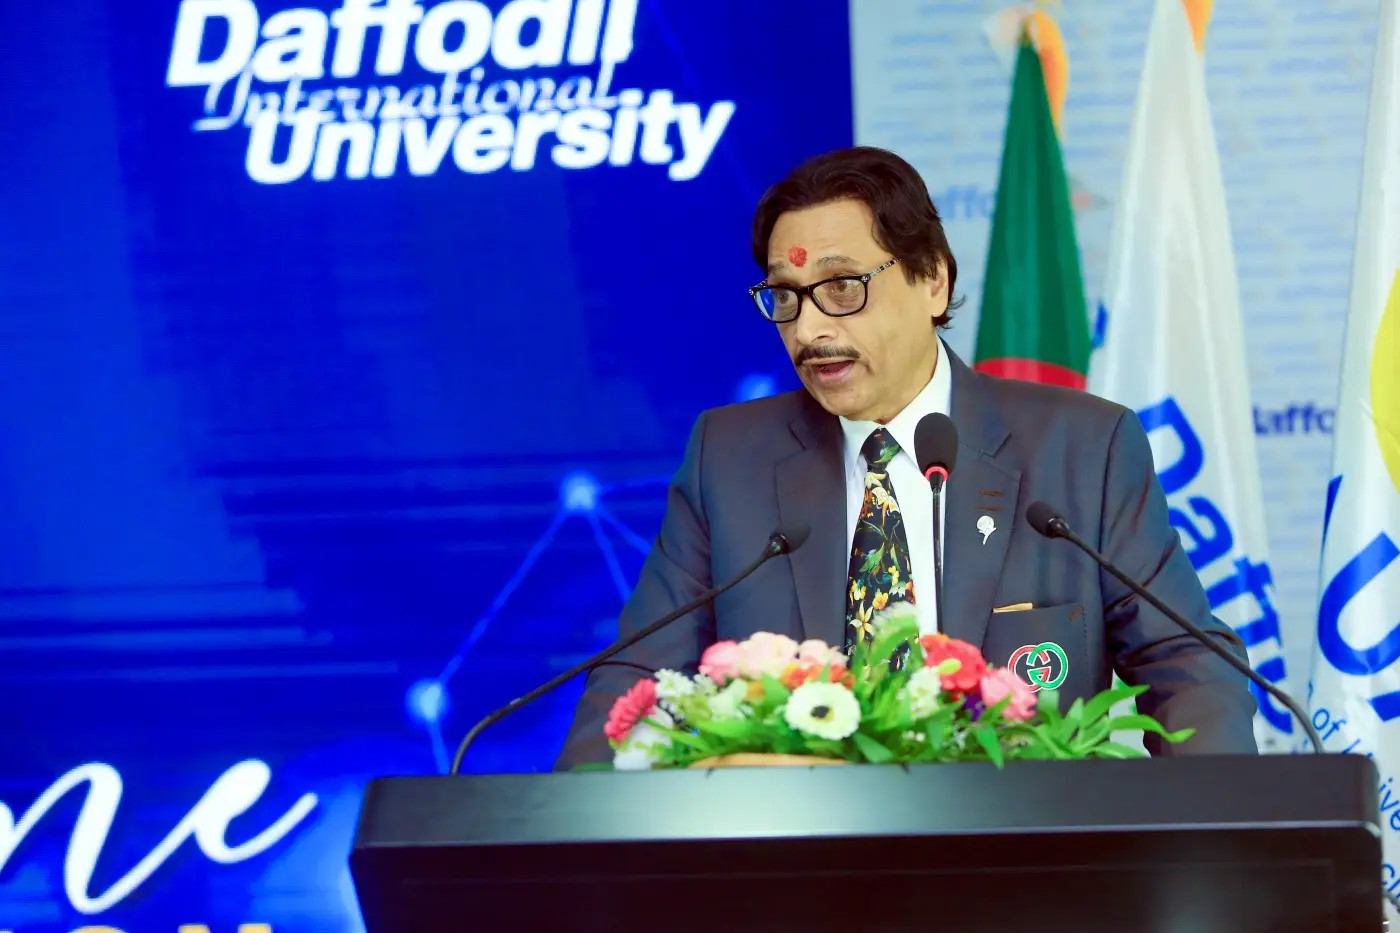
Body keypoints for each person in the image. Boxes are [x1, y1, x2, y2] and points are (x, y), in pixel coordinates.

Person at [555, 145, 1258, 769]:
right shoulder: (729, 459)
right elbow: (635, 680)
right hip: (799, 856)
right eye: (785, 297)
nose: (809, 328)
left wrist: (1216, 846)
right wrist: (573, 842)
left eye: (842, 287)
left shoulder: (1082, 448)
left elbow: (1188, 663)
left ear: (933, 282)